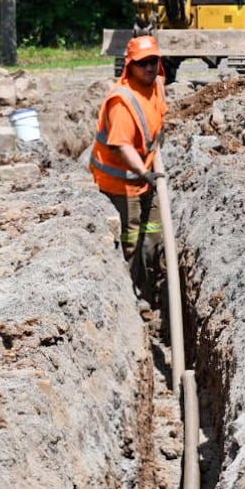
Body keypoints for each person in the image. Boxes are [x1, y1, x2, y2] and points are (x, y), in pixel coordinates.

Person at [90, 34, 168, 301]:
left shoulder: (157, 84)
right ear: (130, 65)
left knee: (154, 236)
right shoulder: (122, 102)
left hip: (146, 177)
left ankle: (152, 292)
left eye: (153, 61)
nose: (149, 67)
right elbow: (121, 146)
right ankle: (130, 298)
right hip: (121, 184)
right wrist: (144, 172)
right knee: (131, 242)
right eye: (142, 62)